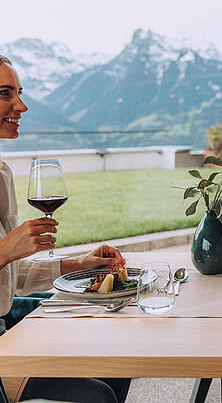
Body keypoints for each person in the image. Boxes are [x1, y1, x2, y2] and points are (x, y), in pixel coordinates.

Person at [0, 55, 131, 403]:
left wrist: (80, 264)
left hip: (7, 318)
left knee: (117, 343)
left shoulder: (2, 172)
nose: (21, 105)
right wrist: (4, 252)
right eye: (5, 93)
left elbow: (8, 277)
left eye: (19, 92)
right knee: (96, 394)